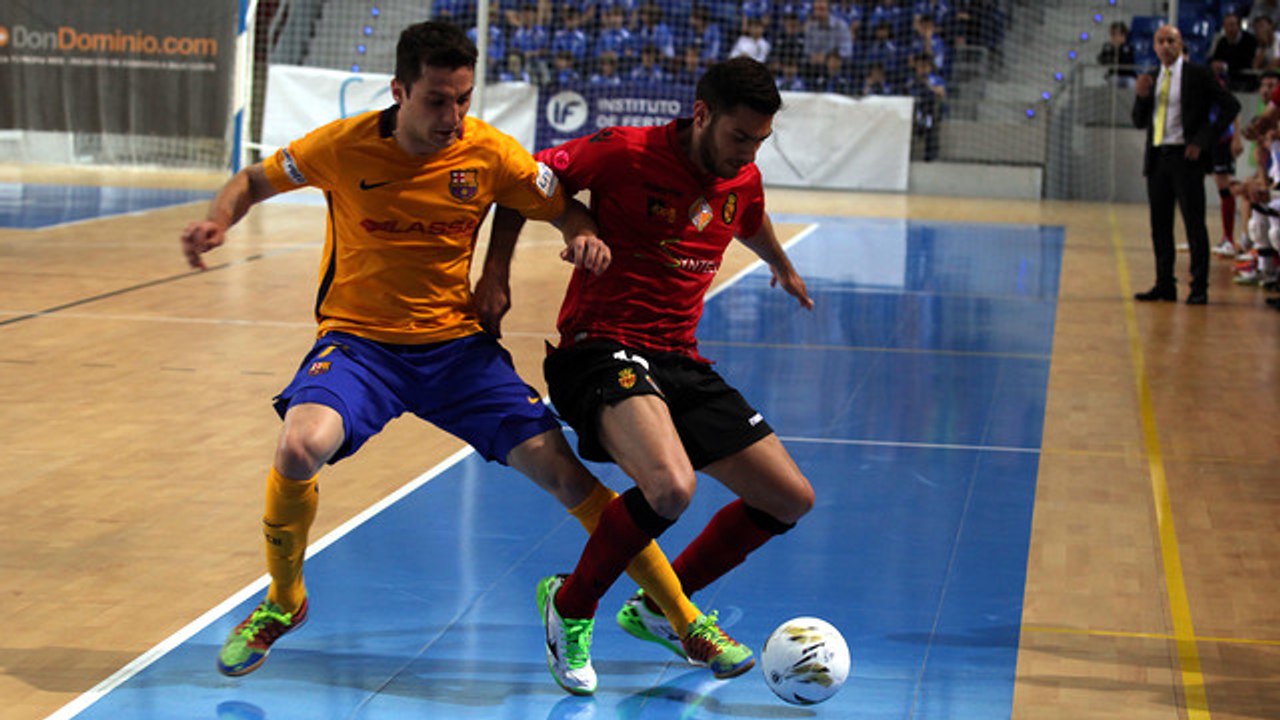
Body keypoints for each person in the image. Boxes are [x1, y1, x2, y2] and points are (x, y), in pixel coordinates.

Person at [182, 21, 740, 680]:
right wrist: (220, 217)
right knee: (300, 445)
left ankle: (681, 616)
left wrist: (582, 235)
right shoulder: (341, 146)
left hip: (456, 354)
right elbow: (251, 180)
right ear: (399, 90)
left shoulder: (490, 153)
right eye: (437, 100)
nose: (453, 116)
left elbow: (562, 205)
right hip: (360, 346)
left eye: (464, 99)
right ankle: (283, 601)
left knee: (567, 476)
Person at [489, 56, 816, 694]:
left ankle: (661, 607)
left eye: (760, 142)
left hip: (678, 356)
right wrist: (496, 274)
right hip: (599, 348)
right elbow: (521, 182)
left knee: (789, 498)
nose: (749, 153)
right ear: (701, 115)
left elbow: (747, 216)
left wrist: (780, 262)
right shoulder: (623, 153)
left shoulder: (742, 177)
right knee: (671, 487)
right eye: (739, 137)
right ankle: (571, 606)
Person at [1131, 24, 1239, 305]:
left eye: (1171, 41)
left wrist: (1204, 139)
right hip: (1157, 159)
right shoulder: (1152, 77)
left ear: (1180, 45)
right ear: (1154, 47)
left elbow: (1230, 105)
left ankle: (1199, 286)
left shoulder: (1198, 74)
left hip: (1186, 158)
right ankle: (1164, 284)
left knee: (1194, 225)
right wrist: (1141, 97)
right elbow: (1139, 121)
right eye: (1160, 41)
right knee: (1160, 225)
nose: (1165, 46)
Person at [1208, 12, 1259, 92]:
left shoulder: (1249, 40)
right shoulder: (1222, 41)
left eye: (1232, 25)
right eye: (1226, 25)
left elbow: (1247, 61)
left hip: (1245, 79)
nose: (1229, 28)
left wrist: (1225, 66)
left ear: (1238, 26)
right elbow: (1214, 57)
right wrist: (1214, 63)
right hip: (1227, 79)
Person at [1097, 20, 1136, 87]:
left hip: (1128, 75)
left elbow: (1126, 61)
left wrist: (1113, 57)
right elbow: (1101, 59)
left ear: (1122, 35)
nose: (1112, 37)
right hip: (1114, 75)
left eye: (1114, 34)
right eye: (1111, 34)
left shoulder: (1129, 47)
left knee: (1131, 83)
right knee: (1113, 80)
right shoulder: (1107, 46)